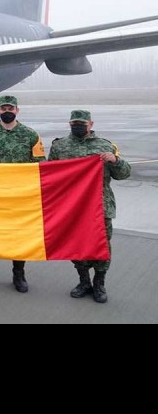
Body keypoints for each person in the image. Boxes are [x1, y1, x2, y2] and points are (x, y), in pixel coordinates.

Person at [48, 110, 131, 304]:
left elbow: (123, 174)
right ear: (69, 124)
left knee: (102, 245)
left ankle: (99, 284)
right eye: (74, 123)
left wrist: (115, 160)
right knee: (77, 244)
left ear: (91, 124)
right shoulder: (59, 146)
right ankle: (84, 282)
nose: (78, 126)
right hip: (73, 207)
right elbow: (51, 174)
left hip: (100, 205)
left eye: (82, 123)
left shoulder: (105, 146)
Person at [0, 95, 45, 292]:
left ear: (17, 110)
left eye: (10, 108)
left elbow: (40, 165)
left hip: (20, 195)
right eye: (4, 108)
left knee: (19, 234)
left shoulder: (30, 135)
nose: (7, 112)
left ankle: (18, 274)